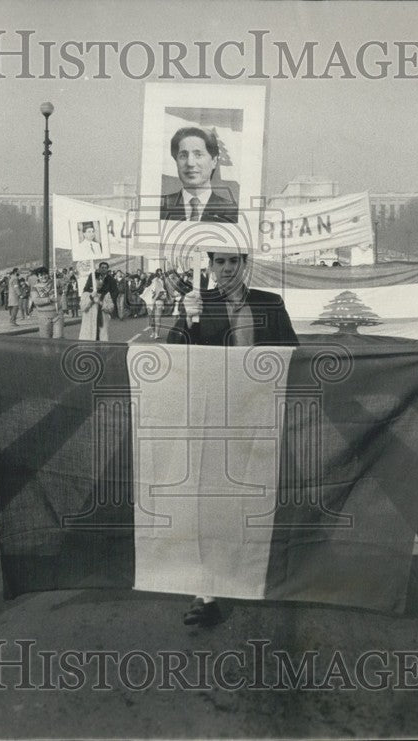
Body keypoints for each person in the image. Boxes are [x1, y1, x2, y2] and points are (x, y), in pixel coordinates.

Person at [167, 247, 298, 626]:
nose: (225, 269)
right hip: (213, 420)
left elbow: (292, 352)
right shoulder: (196, 303)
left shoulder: (270, 303)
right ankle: (206, 592)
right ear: (209, 266)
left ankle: (254, 572)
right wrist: (189, 321)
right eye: (219, 262)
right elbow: (175, 358)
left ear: (245, 265)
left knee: (256, 502)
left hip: (259, 417)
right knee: (209, 505)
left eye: (233, 262)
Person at [159, 127, 237, 223]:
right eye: (183, 155)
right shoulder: (159, 207)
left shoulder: (233, 213)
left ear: (214, 161)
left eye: (198, 155)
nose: (190, 163)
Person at [79, 262, 117, 341]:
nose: (100, 281)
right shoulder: (86, 294)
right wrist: (91, 297)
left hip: (102, 322)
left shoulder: (107, 293)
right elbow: (83, 307)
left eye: (101, 279)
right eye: (98, 279)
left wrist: (100, 302)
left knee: (101, 340)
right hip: (89, 323)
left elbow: (111, 307)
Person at [30, 267, 63, 339]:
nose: (43, 277)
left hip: (57, 314)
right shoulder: (35, 288)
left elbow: (63, 287)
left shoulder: (55, 283)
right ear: (38, 277)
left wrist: (57, 273)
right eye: (41, 275)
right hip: (43, 316)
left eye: (45, 274)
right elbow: (36, 301)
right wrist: (49, 299)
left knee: (59, 337)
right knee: (45, 339)